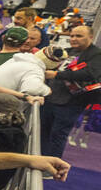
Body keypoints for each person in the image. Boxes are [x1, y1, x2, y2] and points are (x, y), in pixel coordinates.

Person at [41, 24, 101, 158]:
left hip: (71, 103)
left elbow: (90, 74)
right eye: (72, 35)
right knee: (43, 133)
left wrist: (56, 75)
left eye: (79, 36)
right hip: (50, 98)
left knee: (58, 135)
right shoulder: (66, 51)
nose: (74, 38)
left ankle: (51, 167)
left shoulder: (96, 55)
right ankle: (39, 161)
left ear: (90, 37)